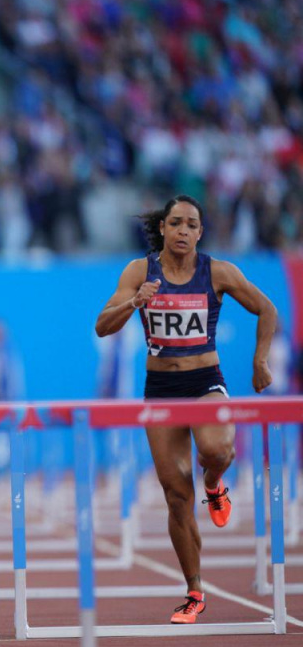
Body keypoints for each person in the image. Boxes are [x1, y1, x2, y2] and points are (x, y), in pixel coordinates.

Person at [94, 194, 276, 624]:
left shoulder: (218, 272)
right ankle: (194, 591)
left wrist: (259, 360)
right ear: (163, 228)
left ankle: (214, 484)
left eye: (191, 225)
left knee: (216, 450)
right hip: (161, 389)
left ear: (200, 233)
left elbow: (266, 309)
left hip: (205, 382)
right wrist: (134, 302)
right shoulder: (140, 271)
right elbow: (102, 326)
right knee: (177, 497)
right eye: (175, 223)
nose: (183, 231)